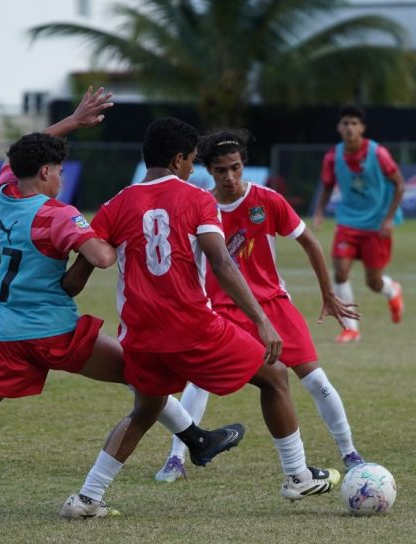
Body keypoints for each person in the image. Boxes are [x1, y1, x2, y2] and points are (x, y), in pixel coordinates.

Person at [0, 88, 244, 533]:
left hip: (2, 334)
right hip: (53, 332)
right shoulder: (55, 214)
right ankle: (196, 438)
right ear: (44, 172)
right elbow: (102, 257)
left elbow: (22, 151)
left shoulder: (1, 193)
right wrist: (105, 230)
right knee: (142, 371)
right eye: (57, 170)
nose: (61, 177)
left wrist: (72, 122)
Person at [58, 118, 339, 519]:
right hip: (193, 329)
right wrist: (261, 320)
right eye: (191, 160)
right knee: (275, 377)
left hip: (139, 337)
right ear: (177, 160)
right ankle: (297, 476)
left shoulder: (115, 204)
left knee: (145, 411)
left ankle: (87, 499)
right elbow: (222, 261)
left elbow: (76, 279)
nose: (194, 168)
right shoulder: (196, 199)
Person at [155, 130, 366, 484]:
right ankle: (176, 457)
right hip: (221, 309)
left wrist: (328, 294)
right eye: (221, 170)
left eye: (236, 168)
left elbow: (310, 242)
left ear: (244, 165)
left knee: (315, 379)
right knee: (198, 382)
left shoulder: (267, 201)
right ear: (209, 170)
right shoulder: (197, 206)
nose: (230, 177)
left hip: (274, 306)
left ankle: (350, 453)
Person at [311, 104, 406, 343]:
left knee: (373, 282)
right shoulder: (333, 156)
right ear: (338, 128)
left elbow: (400, 184)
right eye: (345, 124)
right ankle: (350, 328)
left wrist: (388, 219)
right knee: (340, 273)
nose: (350, 128)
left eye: (354, 123)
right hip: (347, 222)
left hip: (375, 224)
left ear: (362, 127)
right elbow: (327, 185)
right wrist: (320, 211)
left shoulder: (379, 154)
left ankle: (392, 289)